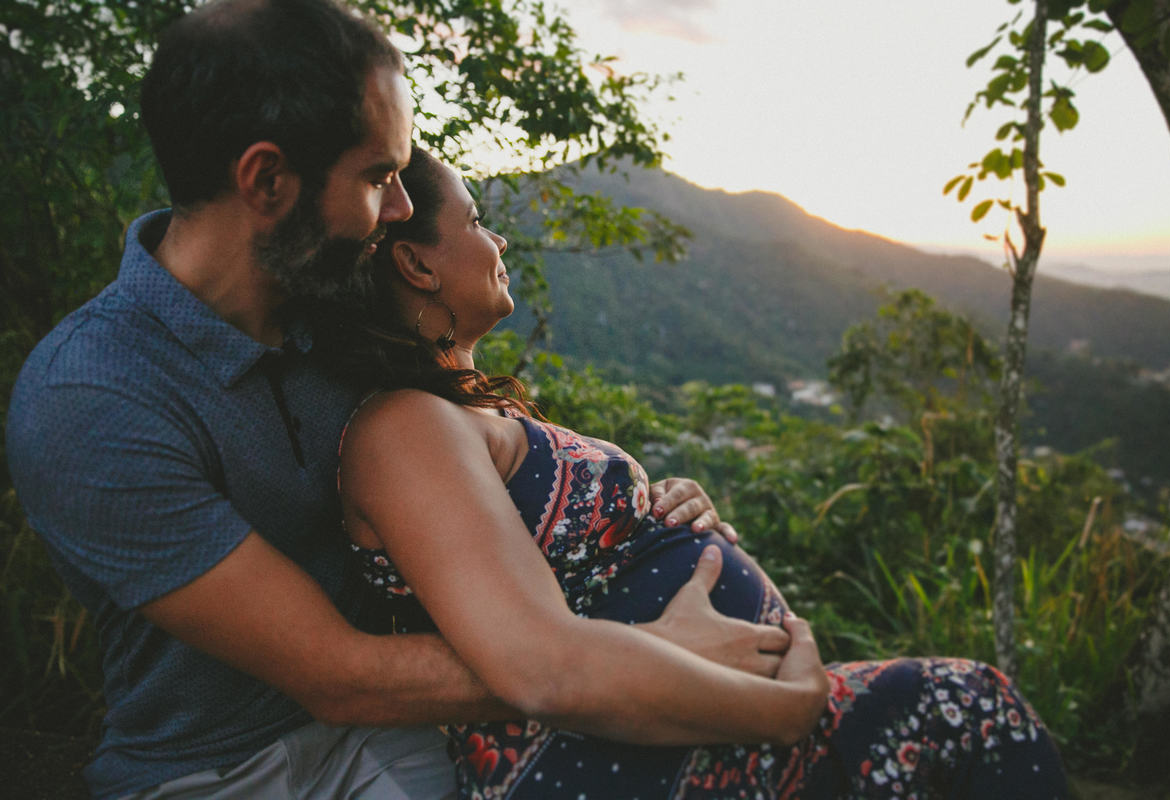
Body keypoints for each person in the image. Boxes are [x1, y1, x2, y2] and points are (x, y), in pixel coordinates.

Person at [4, 2, 777, 798]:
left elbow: (498, 474)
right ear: (267, 180)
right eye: (379, 178)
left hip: (395, 736)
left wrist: (647, 517)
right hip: (219, 770)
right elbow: (338, 675)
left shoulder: (337, 314)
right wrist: (637, 647)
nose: (403, 210)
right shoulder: (93, 399)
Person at [312, 146, 1072, 799]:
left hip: (668, 724)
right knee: (972, 710)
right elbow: (536, 662)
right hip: (608, 753)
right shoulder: (402, 426)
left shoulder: (456, 417)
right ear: (414, 262)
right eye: (477, 222)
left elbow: (554, 569)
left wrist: (654, 515)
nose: (498, 236)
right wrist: (783, 708)